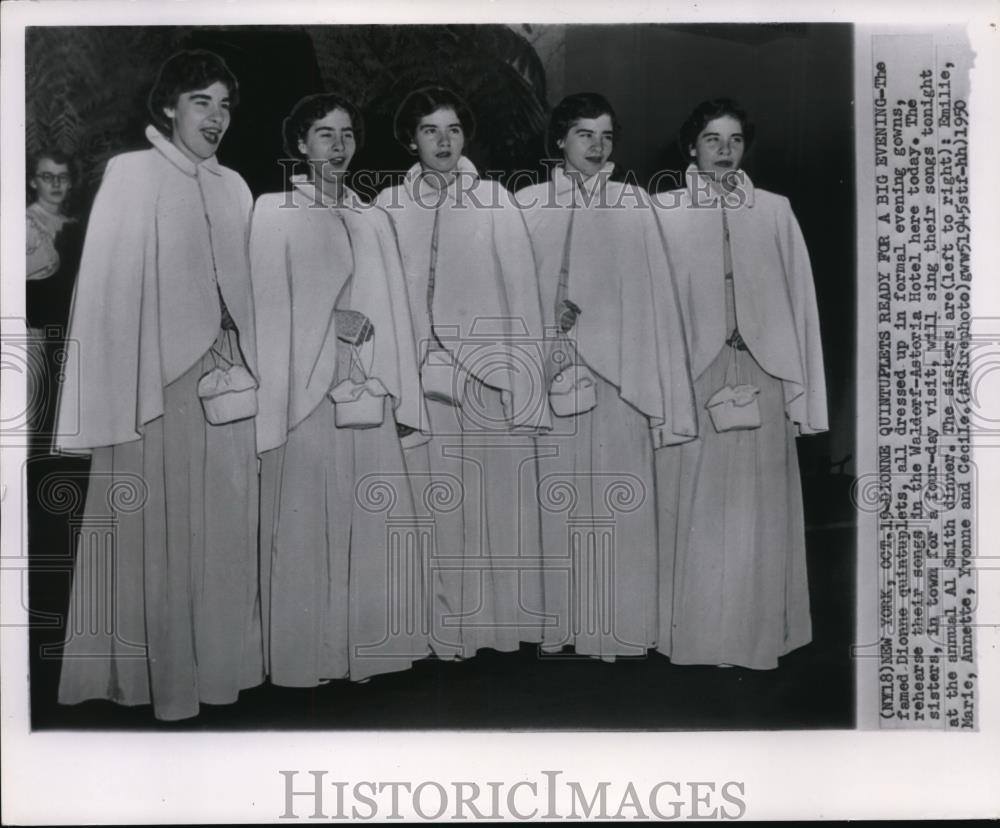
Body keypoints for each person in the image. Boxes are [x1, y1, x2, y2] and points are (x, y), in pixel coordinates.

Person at [54, 50, 262, 720]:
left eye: (225, 104)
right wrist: (124, 387)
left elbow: (254, 288)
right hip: (154, 388)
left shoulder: (234, 186)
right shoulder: (131, 175)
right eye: (202, 100)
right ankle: (162, 683)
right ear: (169, 106)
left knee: (224, 531)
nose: (217, 116)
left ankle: (217, 673)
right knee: (159, 538)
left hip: (226, 385)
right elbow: (110, 293)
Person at [250, 93, 430, 686]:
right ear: (300, 145)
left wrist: (402, 393)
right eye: (324, 134)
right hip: (306, 390)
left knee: (371, 514)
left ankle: (368, 648)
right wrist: (330, 325)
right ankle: (310, 658)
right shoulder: (273, 211)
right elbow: (261, 309)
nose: (338, 145)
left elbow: (396, 313)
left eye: (347, 134)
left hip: (367, 390)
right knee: (307, 520)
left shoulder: (371, 216)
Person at [517, 93, 696, 661]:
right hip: (550, 370)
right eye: (584, 134)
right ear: (560, 141)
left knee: (616, 500)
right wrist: (547, 316)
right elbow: (510, 287)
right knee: (555, 499)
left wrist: (612, 339)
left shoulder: (633, 203)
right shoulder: (525, 203)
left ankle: (615, 627)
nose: (597, 147)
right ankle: (560, 624)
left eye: (607, 136)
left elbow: (653, 297)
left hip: (619, 376)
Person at [376, 86, 551, 659]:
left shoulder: (498, 200)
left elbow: (523, 294)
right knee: (433, 504)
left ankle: (494, 628)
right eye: (430, 130)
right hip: (417, 380)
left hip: (486, 379)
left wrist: (527, 391)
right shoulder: (388, 205)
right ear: (411, 138)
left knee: (492, 503)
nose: (444, 141)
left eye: (453, 129)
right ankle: (442, 630)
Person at [653, 98, 828, 669]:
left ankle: (754, 640)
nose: (724, 150)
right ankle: (696, 636)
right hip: (696, 374)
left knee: (758, 511)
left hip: (762, 373)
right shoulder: (665, 210)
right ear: (691, 147)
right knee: (696, 506)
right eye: (711, 139)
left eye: (733, 140)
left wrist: (801, 386)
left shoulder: (775, 210)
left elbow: (799, 299)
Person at [25, 149, 82, 446]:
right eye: (48, 177)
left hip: (65, 336)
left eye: (63, 177)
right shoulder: (22, 223)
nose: (56, 184)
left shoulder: (76, 225)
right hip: (31, 335)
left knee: (54, 426)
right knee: (26, 421)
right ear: (34, 182)